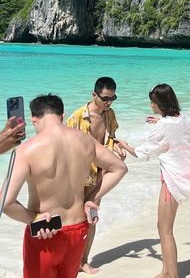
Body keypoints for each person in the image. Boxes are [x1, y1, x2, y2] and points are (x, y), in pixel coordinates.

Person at [2, 94, 127, 278]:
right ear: (62, 115)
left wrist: (33, 218)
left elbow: (5, 202)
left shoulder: (26, 150)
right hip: (79, 228)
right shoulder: (86, 141)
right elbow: (119, 168)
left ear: (33, 118)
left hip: (45, 232)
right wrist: (90, 199)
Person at [119, 84, 190, 278]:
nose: (151, 105)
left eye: (153, 102)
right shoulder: (181, 119)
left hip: (172, 180)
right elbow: (185, 136)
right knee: (164, 228)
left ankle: (172, 274)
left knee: (165, 230)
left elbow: (142, 153)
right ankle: (166, 270)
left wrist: (124, 145)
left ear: (160, 104)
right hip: (183, 175)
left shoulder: (164, 126)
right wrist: (160, 123)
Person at [67, 76, 126, 275]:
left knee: (91, 219)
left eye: (113, 98)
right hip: (78, 176)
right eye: (105, 98)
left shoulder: (110, 115)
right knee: (74, 220)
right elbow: (64, 148)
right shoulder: (77, 117)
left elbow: (112, 138)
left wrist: (117, 147)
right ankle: (69, 261)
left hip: (100, 175)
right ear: (94, 95)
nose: (109, 102)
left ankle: (83, 262)